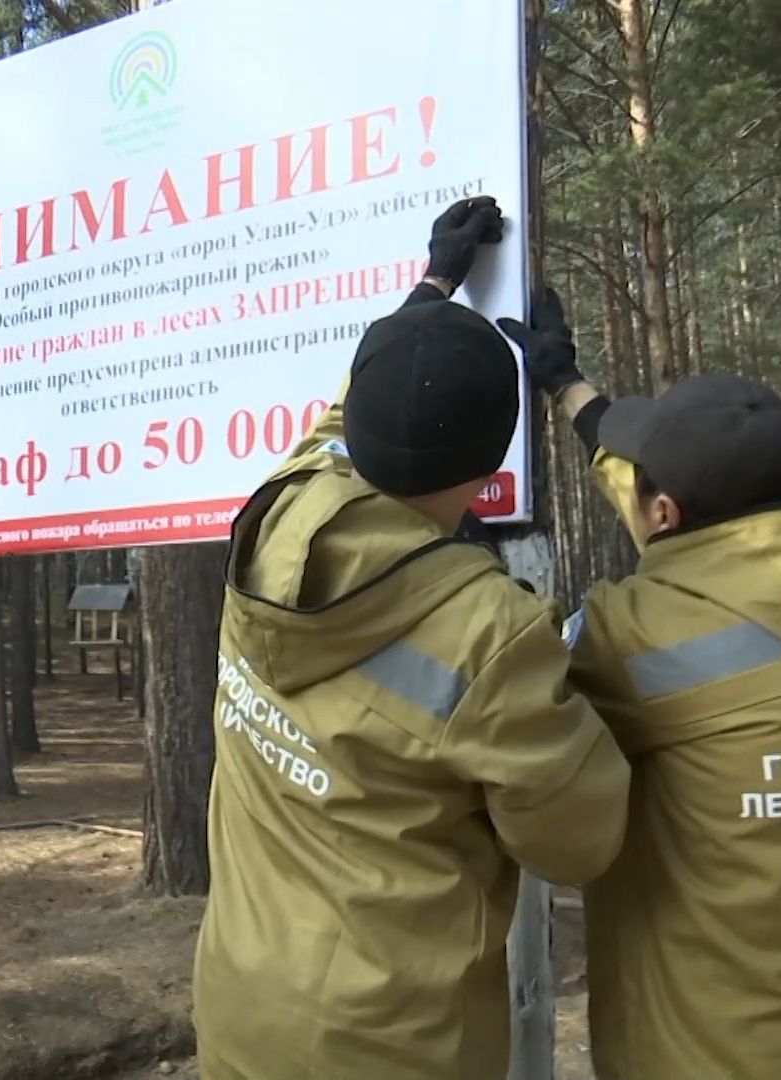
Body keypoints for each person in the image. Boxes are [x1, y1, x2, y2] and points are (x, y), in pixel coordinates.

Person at [191, 197, 631, 1080]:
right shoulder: (489, 632)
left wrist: (431, 287)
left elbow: (338, 418)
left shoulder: (277, 512)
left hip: (242, 1009)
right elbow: (576, 842)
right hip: (391, 1044)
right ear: (489, 468)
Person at [500, 292, 781, 1079]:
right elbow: (653, 486)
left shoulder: (622, 639)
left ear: (663, 512)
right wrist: (567, 384)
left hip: (724, 1048)